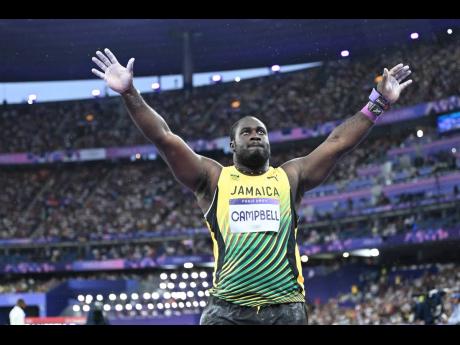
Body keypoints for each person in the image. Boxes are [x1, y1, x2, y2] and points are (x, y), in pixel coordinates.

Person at [91, 48, 412, 325]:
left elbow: (337, 143)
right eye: (246, 132)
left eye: (261, 131)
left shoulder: (291, 176)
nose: (255, 134)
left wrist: (378, 102)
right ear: (232, 144)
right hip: (226, 311)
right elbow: (164, 137)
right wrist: (130, 93)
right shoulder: (213, 178)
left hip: (285, 308)